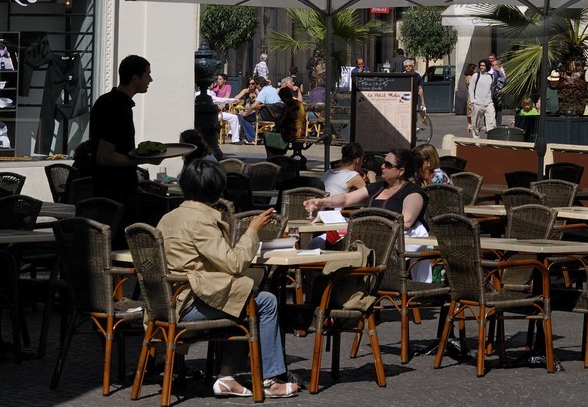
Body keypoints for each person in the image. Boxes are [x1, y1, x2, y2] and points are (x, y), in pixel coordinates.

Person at [157, 159, 298, 398]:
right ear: (218, 189)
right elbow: (233, 263)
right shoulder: (201, 220)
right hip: (189, 303)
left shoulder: (168, 217)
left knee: (246, 298)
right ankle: (270, 379)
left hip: (166, 302)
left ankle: (227, 377)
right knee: (264, 301)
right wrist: (252, 230)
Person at [307, 147, 431, 281]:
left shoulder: (413, 192)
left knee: (348, 250)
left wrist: (372, 225)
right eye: (383, 162)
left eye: (388, 165)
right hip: (362, 236)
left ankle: (343, 285)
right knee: (316, 243)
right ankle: (318, 287)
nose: (382, 166)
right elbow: (346, 198)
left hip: (388, 240)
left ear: (401, 171)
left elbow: (406, 222)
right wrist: (322, 202)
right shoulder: (378, 187)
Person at [88, 54, 161, 205]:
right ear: (135, 79)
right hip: (116, 194)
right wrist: (147, 159)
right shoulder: (119, 109)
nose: (151, 80)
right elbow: (104, 156)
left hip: (104, 189)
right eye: (147, 74)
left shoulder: (104, 100)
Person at [467, 59, 495, 137]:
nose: (481, 67)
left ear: (487, 66)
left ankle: (491, 140)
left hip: (488, 103)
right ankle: (476, 140)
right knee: (475, 123)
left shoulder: (491, 77)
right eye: (480, 65)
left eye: (483, 65)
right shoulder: (476, 75)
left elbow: (491, 90)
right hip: (477, 103)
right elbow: (471, 88)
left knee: (492, 122)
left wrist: (490, 99)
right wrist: (473, 101)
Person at [232, 76, 264, 144]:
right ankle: (241, 136)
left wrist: (256, 92)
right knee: (239, 115)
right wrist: (243, 93)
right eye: (250, 84)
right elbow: (235, 98)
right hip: (245, 110)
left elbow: (260, 101)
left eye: (253, 84)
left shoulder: (258, 92)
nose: (251, 85)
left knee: (243, 117)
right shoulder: (245, 91)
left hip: (255, 111)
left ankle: (248, 137)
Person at [486, 53, 507, 126]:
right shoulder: (488, 69)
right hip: (490, 93)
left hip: (498, 92)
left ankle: (498, 124)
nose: (491, 60)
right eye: (490, 58)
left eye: (492, 58)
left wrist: (499, 71)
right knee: (489, 109)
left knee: (498, 109)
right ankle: (488, 124)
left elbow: (504, 79)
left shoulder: (500, 69)